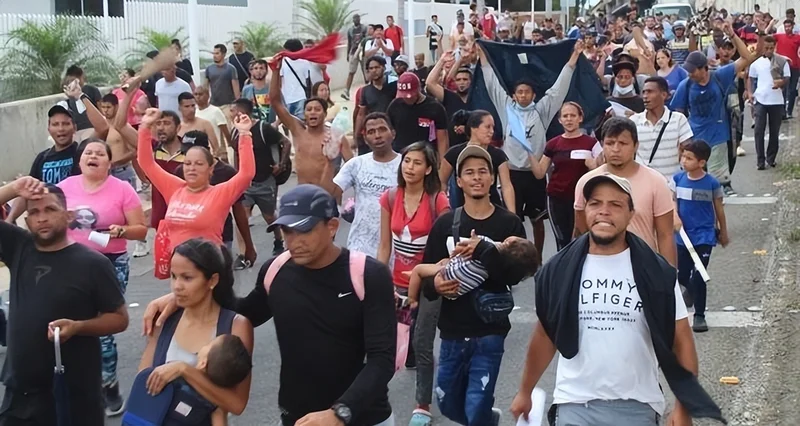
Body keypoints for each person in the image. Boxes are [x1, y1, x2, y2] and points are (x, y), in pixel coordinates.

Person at [143, 184, 396, 426]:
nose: (293, 241)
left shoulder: (367, 275)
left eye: (304, 230)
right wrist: (184, 297)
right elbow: (240, 313)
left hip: (362, 417)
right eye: (287, 231)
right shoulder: (276, 271)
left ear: (332, 227)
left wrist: (340, 414)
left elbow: (382, 359)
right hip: (297, 416)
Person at [510, 173, 724, 426]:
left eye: (615, 204)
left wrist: (684, 407)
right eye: (595, 203)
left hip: (636, 406)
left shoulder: (657, 273)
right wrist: (525, 391)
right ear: (585, 211)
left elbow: (682, 340)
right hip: (574, 403)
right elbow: (545, 336)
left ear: (631, 214)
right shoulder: (559, 270)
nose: (604, 211)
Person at [0, 177, 128, 426]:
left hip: (73, 393)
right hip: (22, 392)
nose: (42, 218)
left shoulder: (93, 264)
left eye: (50, 209)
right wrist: (14, 189)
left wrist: (79, 327)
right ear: (27, 221)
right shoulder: (20, 248)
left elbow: (119, 319)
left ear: (69, 216)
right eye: (34, 212)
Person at [422, 145, 528, 426]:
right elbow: (426, 275)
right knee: (446, 402)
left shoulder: (510, 224)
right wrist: (436, 285)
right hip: (453, 331)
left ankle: (482, 418)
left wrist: (483, 250)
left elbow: (515, 276)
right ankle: (488, 420)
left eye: (483, 171)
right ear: (459, 181)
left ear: (493, 178)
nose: (477, 177)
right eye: (469, 173)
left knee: (476, 403)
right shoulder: (445, 224)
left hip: (490, 331)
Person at [57, 138, 147, 415]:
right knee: (73, 325)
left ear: (109, 163)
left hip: (109, 263)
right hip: (70, 263)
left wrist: (122, 230)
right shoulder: (64, 187)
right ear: (80, 160)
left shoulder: (122, 189)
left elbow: (141, 230)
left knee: (102, 325)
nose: (93, 156)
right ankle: (81, 385)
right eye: (88, 152)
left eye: (99, 153)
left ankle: (109, 385)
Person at [477, 40, 583, 257]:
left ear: (534, 95)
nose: (523, 95)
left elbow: (559, 89)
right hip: (511, 175)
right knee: (512, 218)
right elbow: (492, 83)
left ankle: (537, 257)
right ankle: (513, 256)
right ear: (514, 95)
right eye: (519, 92)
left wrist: (573, 58)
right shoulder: (506, 108)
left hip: (535, 175)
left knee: (538, 221)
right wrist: (482, 56)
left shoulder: (542, 111)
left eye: (527, 92)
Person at [136, 239, 254, 421]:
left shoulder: (235, 326)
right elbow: (142, 385)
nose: (177, 286)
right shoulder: (163, 320)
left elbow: (237, 404)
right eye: (173, 276)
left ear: (212, 280)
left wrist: (184, 370)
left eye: (187, 278)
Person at [376, 142, 448, 425]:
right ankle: (372, 397)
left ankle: (422, 405)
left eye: (417, 163)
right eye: (406, 161)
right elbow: (385, 246)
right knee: (388, 342)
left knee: (422, 341)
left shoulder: (437, 201)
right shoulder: (390, 197)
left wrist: (432, 273)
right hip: (397, 283)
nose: (410, 167)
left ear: (428, 169)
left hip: (429, 283)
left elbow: (447, 247)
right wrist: (377, 277)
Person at [136, 108, 255, 257]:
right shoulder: (174, 188)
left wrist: (244, 134)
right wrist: (145, 126)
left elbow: (246, 174)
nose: (192, 168)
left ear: (210, 169)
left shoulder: (219, 194)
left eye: (199, 164)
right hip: (178, 266)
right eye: (187, 163)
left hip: (208, 264)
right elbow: (146, 163)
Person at [670, 23, 761, 196]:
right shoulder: (686, 85)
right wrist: (680, 139)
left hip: (718, 135)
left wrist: (732, 35)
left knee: (716, 183)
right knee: (697, 181)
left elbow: (746, 57)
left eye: (693, 71)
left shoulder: (720, 76)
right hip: (695, 137)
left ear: (703, 68)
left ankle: (719, 201)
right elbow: (678, 113)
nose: (690, 74)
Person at [574, 117, 677, 266]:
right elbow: (580, 231)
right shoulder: (586, 182)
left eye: (623, 143)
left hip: (642, 266)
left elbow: (665, 235)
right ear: (602, 145)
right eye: (610, 143)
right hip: (598, 265)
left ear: (636, 146)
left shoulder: (656, 182)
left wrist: (670, 274)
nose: (616, 149)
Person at [321, 112, 402, 257]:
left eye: (382, 129)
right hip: (359, 246)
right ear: (365, 139)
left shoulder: (406, 165)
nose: (377, 135)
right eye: (371, 132)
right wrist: (329, 162)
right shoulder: (356, 164)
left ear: (393, 133)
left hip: (397, 248)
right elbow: (330, 192)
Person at [174, 130, 256, 268]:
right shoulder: (180, 172)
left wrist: (248, 245)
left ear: (207, 151)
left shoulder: (226, 172)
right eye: (186, 155)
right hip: (186, 242)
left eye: (198, 161)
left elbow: (239, 210)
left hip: (221, 238)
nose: (191, 166)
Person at [673, 140, 729, 333]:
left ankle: (699, 315)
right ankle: (691, 291)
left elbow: (719, 209)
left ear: (702, 162)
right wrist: (675, 217)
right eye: (683, 156)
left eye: (689, 158)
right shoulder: (677, 179)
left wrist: (723, 232)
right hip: (682, 236)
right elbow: (673, 202)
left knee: (699, 275)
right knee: (682, 275)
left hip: (704, 236)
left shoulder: (712, 183)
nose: (684, 161)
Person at [529, 102, 601, 250]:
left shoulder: (592, 143)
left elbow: (602, 168)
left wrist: (593, 165)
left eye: (572, 115)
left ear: (580, 118)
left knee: (582, 239)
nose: (569, 119)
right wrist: (528, 151)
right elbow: (540, 173)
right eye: (565, 116)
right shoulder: (553, 144)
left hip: (582, 199)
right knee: (562, 241)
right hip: (557, 199)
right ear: (560, 120)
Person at [228, 98, 292, 259]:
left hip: (265, 181)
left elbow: (286, 142)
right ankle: (245, 252)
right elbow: (237, 152)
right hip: (246, 184)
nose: (230, 114)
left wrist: (281, 164)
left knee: (269, 216)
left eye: (233, 110)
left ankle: (278, 239)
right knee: (242, 216)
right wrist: (237, 173)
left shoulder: (264, 128)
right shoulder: (235, 131)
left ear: (242, 112)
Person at [406, 232, 538, 305]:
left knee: (418, 270)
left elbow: (460, 247)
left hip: (448, 274)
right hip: (460, 289)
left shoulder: (487, 244)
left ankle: (411, 299)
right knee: (441, 263)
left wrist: (454, 255)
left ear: (510, 242)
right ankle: (414, 277)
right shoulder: (502, 263)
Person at [5, 105, 82, 225]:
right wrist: (10, 219)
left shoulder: (82, 154)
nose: (61, 129)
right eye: (55, 124)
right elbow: (27, 191)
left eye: (65, 124)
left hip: (73, 219)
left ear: (74, 128)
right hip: (44, 219)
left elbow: (102, 129)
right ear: (49, 129)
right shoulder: (42, 158)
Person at [440, 110, 515, 212]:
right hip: (462, 209)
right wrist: (443, 209)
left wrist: (512, 213)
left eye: (493, 127)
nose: (492, 131)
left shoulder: (498, 155)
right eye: (487, 127)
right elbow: (441, 183)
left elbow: (506, 186)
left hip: (493, 209)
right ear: (473, 128)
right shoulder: (454, 153)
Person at [632, 77, 694, 179]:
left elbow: (687, 149)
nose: (645, 96)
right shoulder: (634, 121)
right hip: (643, 181)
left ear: (664, 95)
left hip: (671, 182)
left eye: (650, 92)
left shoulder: (678, 119)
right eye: (644, 92)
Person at [748, 36, 790, 169]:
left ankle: (771, 158)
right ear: (762, 48)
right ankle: (760, 161)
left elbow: (787, 77)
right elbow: (750, 78)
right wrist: (750, 92)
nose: (769, 50)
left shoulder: (782, 61)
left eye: (771, 48)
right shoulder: (757, 63)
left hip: (776, 101)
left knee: (774, 131)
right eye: (766, 48)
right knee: (759, 131)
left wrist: (781, 83)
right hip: (760, 100)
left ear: (775, 47)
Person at [386, 72, 449, 162]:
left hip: (425, 157)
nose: (407, 99)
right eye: (404, 96)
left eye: (410, 96)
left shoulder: (435, 108)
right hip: (400, 156)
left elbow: (442, 140)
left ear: (418, 89)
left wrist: (442, 163)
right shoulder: (394, 106)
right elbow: (388, 132)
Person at [355, 56, 398, 155]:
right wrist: (357, 135)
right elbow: (361, 114)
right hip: (374, 130)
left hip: (392, 130)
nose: (374, 71)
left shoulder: (394, 86)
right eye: (371, 68)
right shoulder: (365, 91)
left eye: (377, 67)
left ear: (384, 68)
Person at [194, 85, 233, 160]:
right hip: (199, 150)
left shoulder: (215, 111)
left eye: (200, 94)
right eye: (196, 94)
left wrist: (228, 146)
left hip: (215, 151)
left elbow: (225, 130)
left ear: (208, 96)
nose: (198, 97)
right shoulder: (194, 112)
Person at [206, 44, 241, 114]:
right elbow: (205, 88)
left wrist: (237, 105)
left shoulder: (231, 69)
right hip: (213, 104)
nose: (214, 56)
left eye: (217, 53)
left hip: (228, 105)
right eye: (213, 53)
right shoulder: (209, 69)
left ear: (223, 54)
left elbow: (236, 89)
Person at [343, 14, 368, 101]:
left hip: (362, 52)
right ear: (353, 20)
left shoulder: (364, 28)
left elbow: (366, 40)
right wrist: (348, 54)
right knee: (351, 72)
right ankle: (346, 91)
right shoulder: (350, 30)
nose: (356, 20)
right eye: (355, 18)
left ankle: (368, 90)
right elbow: (349, 42)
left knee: (365, 72)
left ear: (359, 19)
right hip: (353, 53)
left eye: (357, 18)